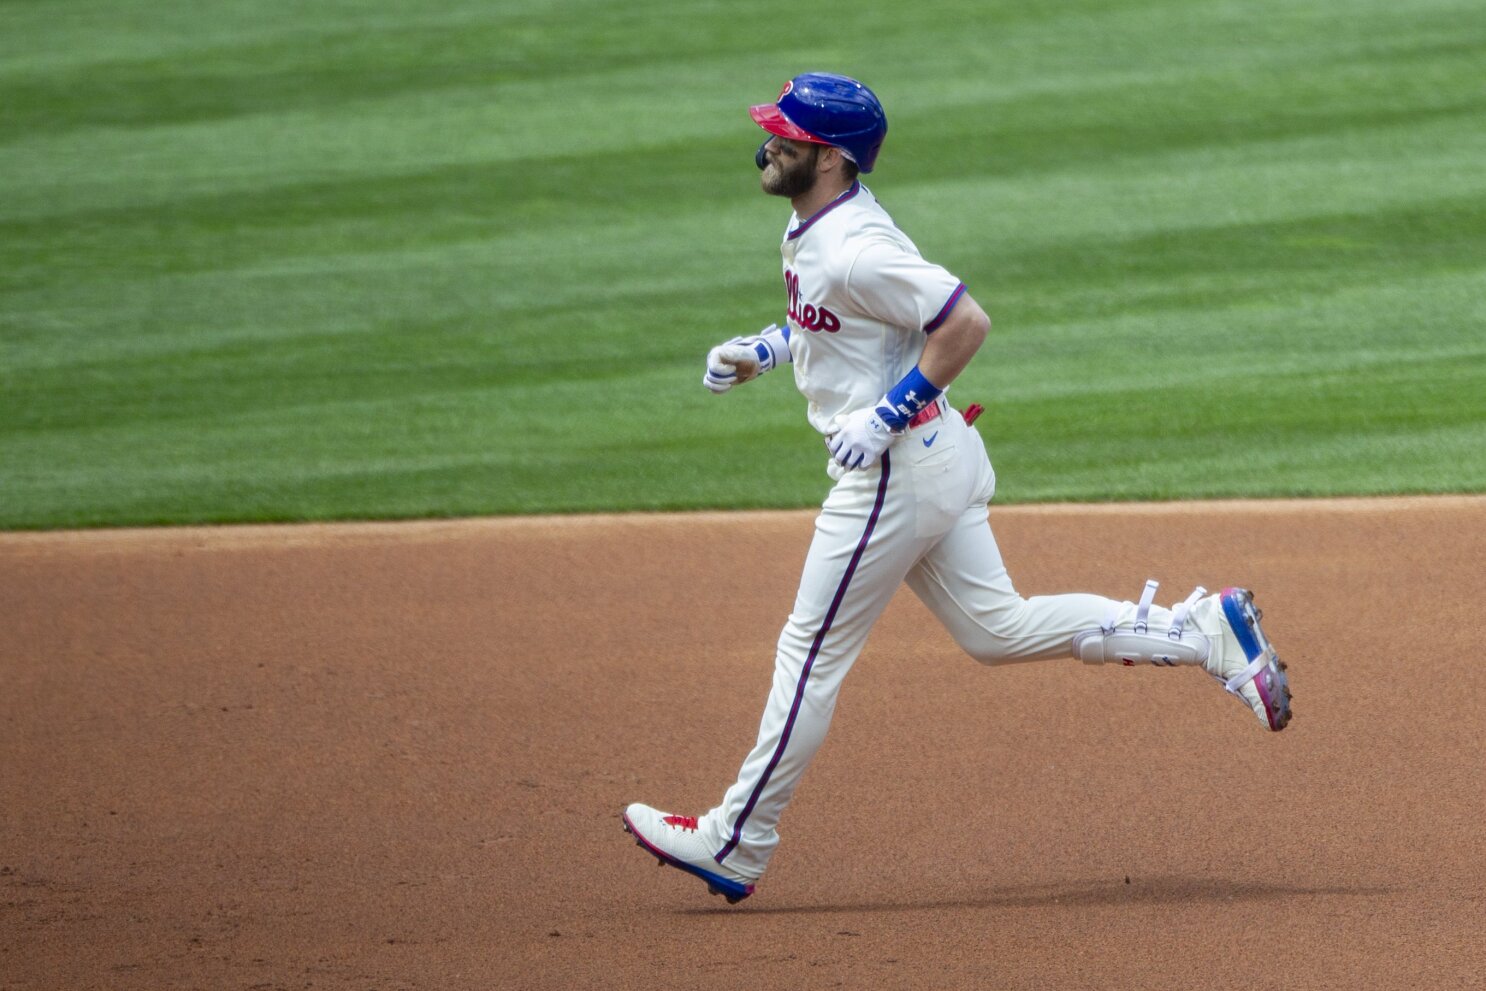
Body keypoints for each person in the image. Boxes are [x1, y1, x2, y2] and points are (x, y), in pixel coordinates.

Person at [621, 72, 1291, 904]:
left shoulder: (856, 244)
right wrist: (767, 349)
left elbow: (963, 322)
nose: (769, 144)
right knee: (997, 629)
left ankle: (736, 838)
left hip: (896, 473)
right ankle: (1199, 631)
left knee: (809, 653)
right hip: (942, 454)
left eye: (787, 136)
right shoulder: (822, 225)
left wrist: (884, 416)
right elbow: (847, 322)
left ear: (828, 158)